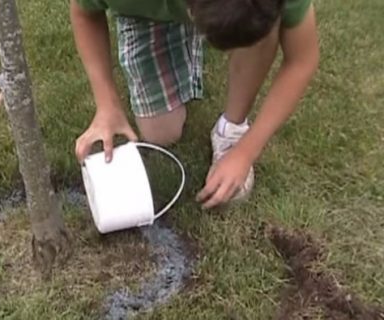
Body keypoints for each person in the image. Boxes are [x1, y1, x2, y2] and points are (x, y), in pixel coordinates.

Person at [70, 0, 319, 209]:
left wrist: (244, 151)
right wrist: (106, 106)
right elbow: (83, 12)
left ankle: (231, 129)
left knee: (260, 25)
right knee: (161, 132)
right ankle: (171, 29)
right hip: (145, 10)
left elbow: (302, 60)